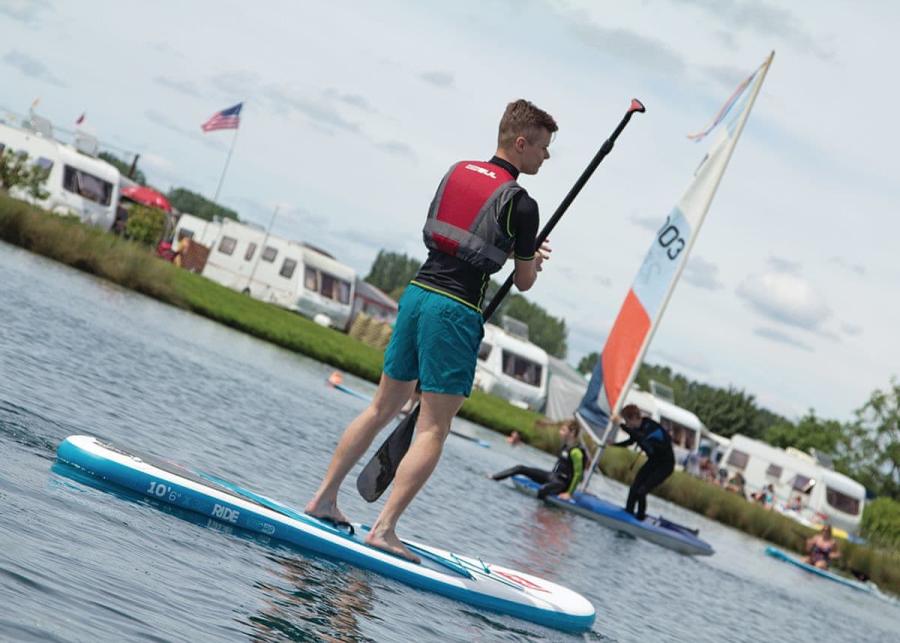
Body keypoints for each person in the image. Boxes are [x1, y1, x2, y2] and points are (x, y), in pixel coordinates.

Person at [305, 99, 557, 562]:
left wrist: (511, 248)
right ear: (521, 143)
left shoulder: (456, 171)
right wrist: (533, 259)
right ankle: (383, 530)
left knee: (381, 406)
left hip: (417, 294)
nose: (546, 156)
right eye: (543, 148)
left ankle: (323, 498)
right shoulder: (522, 203)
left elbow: (464, 234)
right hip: (455, 309)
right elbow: (522, 281)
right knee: (434, 427)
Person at [490, 419, 587, 500]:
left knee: (542, 490)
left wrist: (569, 493)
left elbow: (578, 475)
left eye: (563, 430)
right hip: (552, 476)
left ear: (572, 433)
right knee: (520, 468)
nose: (560, 432)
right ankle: (493, 477)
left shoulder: (576, 452)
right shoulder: (565, 446)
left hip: (562, 484)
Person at [611, 404, 675, 521]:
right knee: (634, 488)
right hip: (653, 462)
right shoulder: (637, 430)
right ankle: (628, 513)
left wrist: (620, 424)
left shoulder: (651, 426)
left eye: (627, 421)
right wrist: (613, 445)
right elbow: (631, 441)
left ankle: (640, 519)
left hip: (665, 466)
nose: (627, 424)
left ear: (633, 418)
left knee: (642, 491)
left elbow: (641, 438)